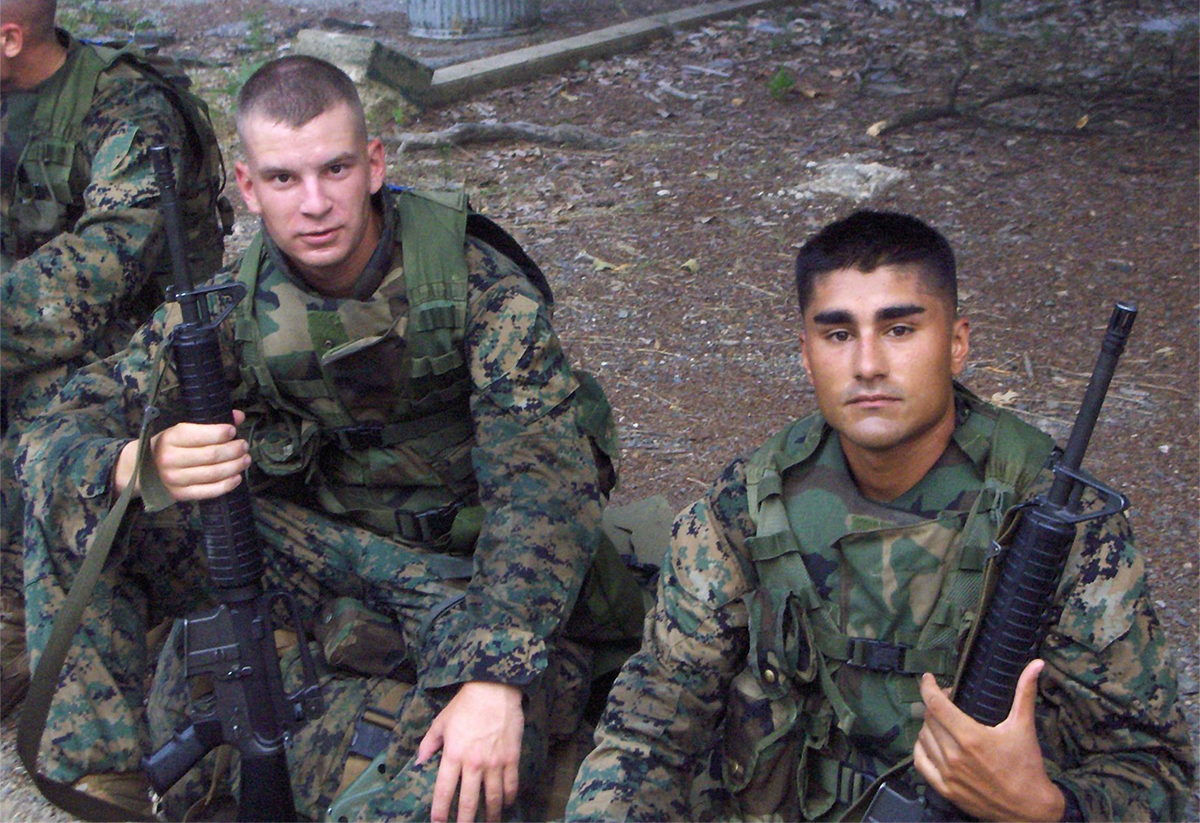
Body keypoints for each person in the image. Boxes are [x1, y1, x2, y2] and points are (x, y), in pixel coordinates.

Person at [17, 55, 638, 821]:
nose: (314, 204)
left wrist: (493, 677)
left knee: (460, 780)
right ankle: (106, 790)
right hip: (325, 558)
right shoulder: (226, 311)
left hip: (461, 577)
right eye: (283, 178)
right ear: (248, 187)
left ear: (374, 164)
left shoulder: (474, 286)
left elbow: (544, 488)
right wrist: (134, 463)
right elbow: (50, 434)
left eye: (335, 169)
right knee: (85, 502)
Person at [566, 211, 1194, 822]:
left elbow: (1152, 768)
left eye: (899, 330)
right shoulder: (750, 503)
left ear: (956, 344)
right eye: (839, 335)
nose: (867, 365)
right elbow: (650, 724)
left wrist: (1047, 810)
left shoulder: (1051, 520)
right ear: (806, 353)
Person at [0, 0, 227, 716]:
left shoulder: (130, 110)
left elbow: (98, 275)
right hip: (34, 332)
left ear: (9, 40)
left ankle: (27, 608)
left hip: (140, 353)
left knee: (48, 399)